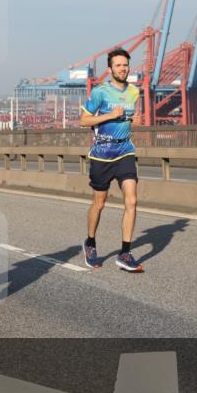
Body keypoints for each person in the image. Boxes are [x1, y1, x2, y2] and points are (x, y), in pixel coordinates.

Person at [80, 47, 143, 272]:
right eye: (118, 65)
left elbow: (129, 118)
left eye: (125, 65)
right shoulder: (100, 92)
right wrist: (109, 115)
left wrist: (134, 120)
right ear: (110, 69)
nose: (122, 69)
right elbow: (83, 120)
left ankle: (125, 253)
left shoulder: (135, 92)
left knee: (132, 200)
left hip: (125, 151)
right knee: (99, 203)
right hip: (102, 154)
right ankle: (90, 243)